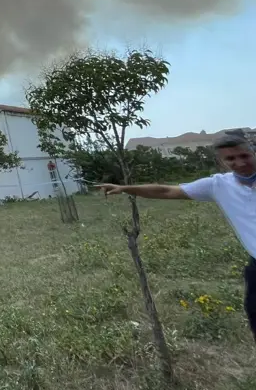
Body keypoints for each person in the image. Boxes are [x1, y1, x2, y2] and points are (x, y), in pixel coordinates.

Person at [98, 132, 256, 340]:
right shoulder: (218, 185)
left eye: (244, 156)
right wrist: (124, 188)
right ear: (221, 162)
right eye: (231, 159)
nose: (239, 162)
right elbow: (166, 191)